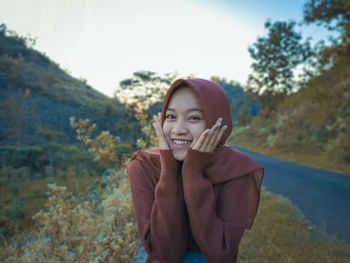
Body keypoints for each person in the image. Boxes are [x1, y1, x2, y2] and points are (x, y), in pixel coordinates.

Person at [127, 78, 264, 263]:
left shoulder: (236, 171)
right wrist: (169, 172)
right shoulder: (143, 166)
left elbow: (220, 254)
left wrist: (192, 175)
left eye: (194, 118)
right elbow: (163, 253)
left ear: (217, 123)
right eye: (171, 117)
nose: (178, 129)